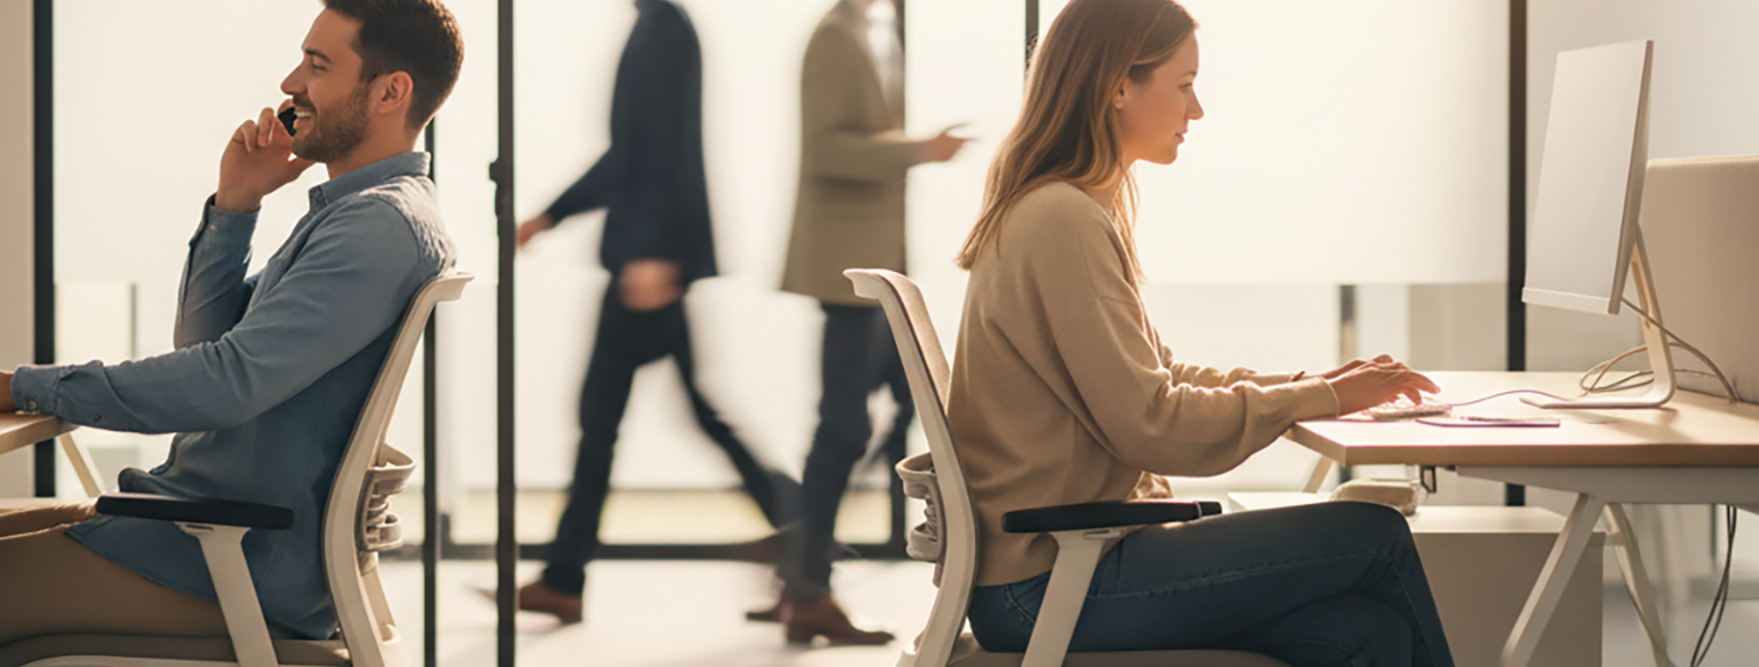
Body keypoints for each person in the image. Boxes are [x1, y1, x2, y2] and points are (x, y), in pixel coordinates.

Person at [0, 1, 462, 663]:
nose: (289, 83)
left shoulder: (375, 226)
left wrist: (20, 386)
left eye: (318, 65)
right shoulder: (360, 215)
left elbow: (224, 383)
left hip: (222, 557)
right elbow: (204, 350)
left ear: (392, 91)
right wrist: (236, 203)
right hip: (202, 531)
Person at [946, 1, 1457, 665]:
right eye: (1184, 85)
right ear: (1118, 86)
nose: (1198, 110)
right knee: (1376, 534)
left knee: (1366, 632)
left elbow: (1160, 379)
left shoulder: (1063, 209)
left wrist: (1317, 385)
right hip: (1049, 582)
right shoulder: (1060, 220)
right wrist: (1317, 401)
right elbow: (1152, 422)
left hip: (1067, 564)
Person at [510, 0, 800, 624]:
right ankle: (805, 537)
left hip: (649, 264)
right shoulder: (659, 26)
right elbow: (634, 153)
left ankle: (565, 577)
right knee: (673, 411)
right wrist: (551, 215)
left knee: (607, 420)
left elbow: (663, 150)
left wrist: (654, 255)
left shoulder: (665, 29)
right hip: (652, 257)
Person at [762, 0, 966, 646]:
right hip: (845, 272)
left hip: (867, 267)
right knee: (847, 424)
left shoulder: (865, 34)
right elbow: (825, 148)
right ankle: (807, 582)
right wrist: (920, 150)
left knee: (881, 414)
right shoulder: (835, 37)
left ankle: (802, 568)